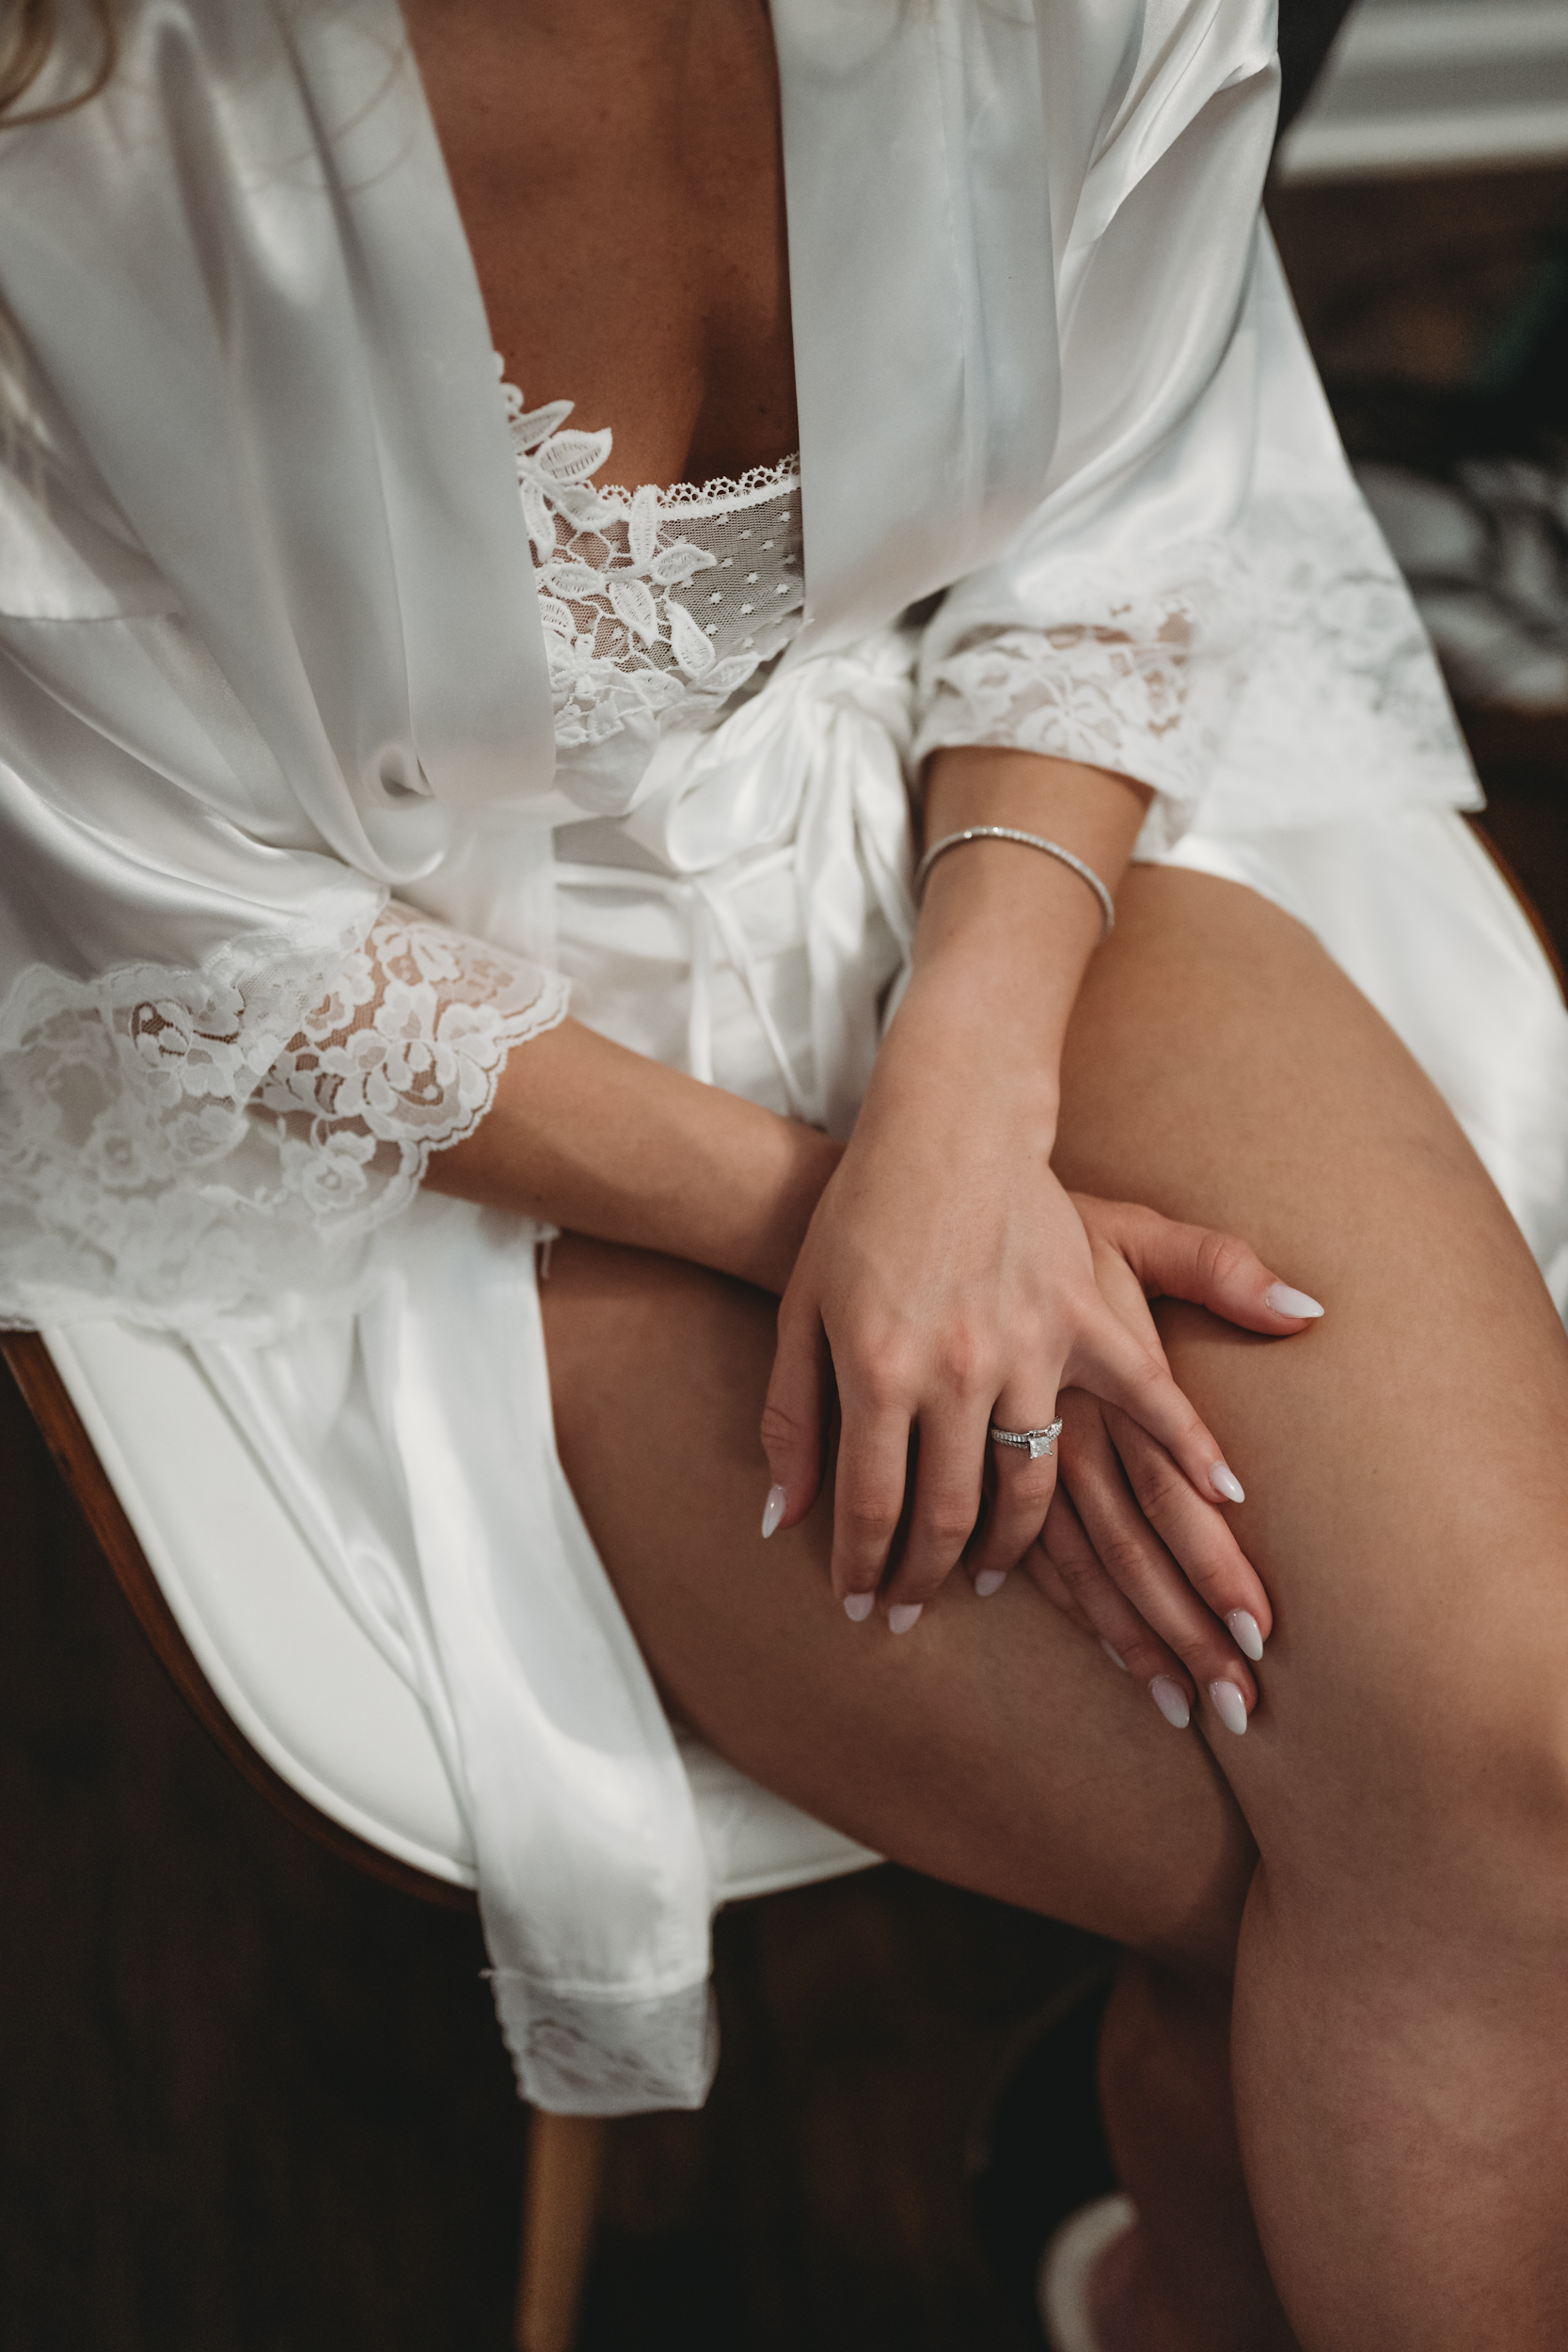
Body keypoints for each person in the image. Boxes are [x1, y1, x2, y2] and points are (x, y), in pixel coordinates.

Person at [4, 4, 1568, 2345]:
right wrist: (820, 1212)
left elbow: (1141, 484)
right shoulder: (83, 116)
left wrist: (962, 1099)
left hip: (978, 813)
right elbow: (153, 897)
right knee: (1275, 1872)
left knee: (1530, 1779)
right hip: (406, 1049)